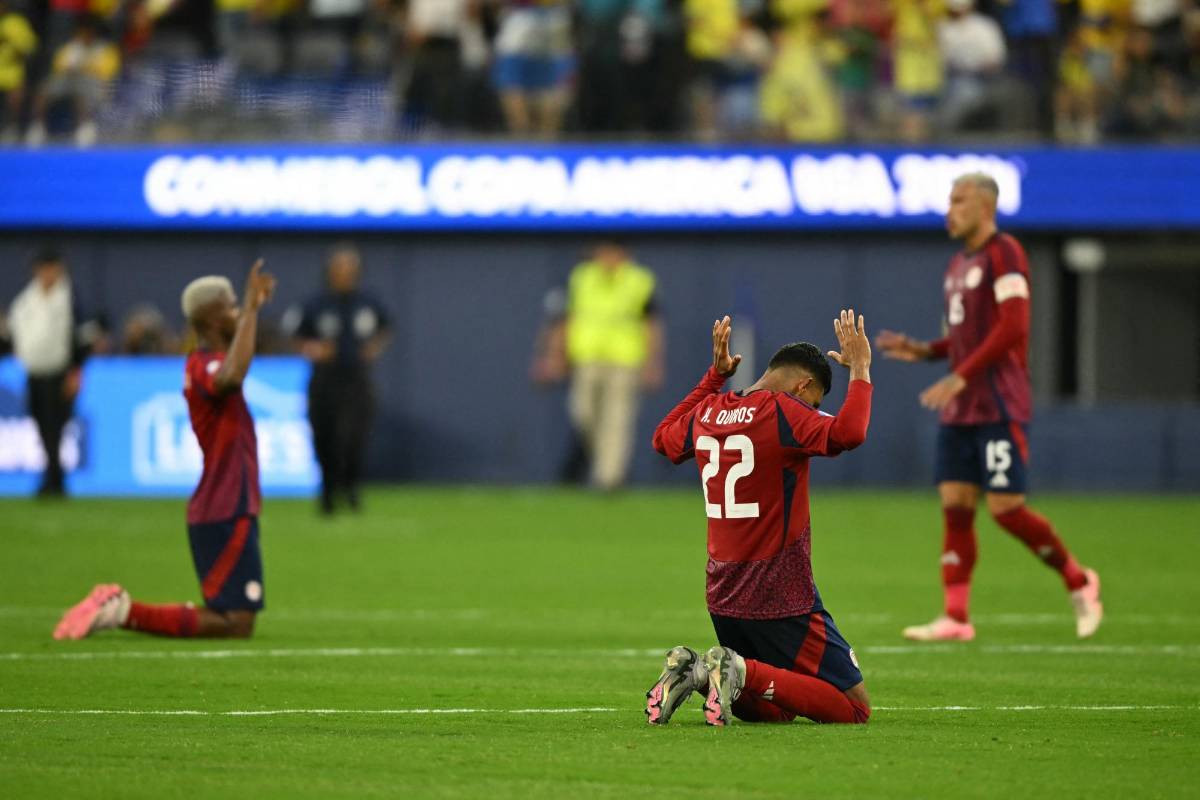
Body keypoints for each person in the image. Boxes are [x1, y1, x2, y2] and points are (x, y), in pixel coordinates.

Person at [875, 173, 1104, 641]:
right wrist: (926, 351)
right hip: (962, 409)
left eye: (959, 200)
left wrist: (960, 375)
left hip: (998, 403)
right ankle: (956, 617)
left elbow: (1013, 327)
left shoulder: (1006, 253)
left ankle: (1079, 580)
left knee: (1006, 509)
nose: (949, 210)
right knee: (956, 507)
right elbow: (966, 338)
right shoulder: (957, 264)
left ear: (985, 207)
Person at [645, 311, 874, 726]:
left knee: (777, 710)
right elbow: (850, 432)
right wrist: (860, 369)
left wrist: (713, 379)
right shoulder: (783, 410)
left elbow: (662, 438)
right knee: (854, 708)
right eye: (815, 402)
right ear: (802, 385)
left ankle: (697, 670)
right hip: (780, 592)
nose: (813, 411)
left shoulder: (711, 411)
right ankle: (738, 668)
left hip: (723, 595)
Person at [52, 260, 277, 640]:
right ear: (211, 317)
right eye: (232, 305)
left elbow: (236, 365)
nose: (238, 311)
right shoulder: (206, 366)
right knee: (236, 623)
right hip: (225, 506)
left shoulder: (205, 363)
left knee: (236, 620)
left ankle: (121, 610)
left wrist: (250, 314)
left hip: (223, 506)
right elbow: (233, 375)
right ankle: (121, 610)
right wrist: (253, 311)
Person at [537, 242, 664, 491]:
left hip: (625, 360)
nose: (606, 257)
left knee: (617, 419)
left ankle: (608, 480)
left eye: (612, 251)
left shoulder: (639, 280)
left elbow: (652, 325)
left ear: (624, 253)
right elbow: (566, 318)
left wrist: (653, 362)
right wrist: (555, 355)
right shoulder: (581, 277)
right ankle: (605, 464)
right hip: (587, 359)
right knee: (582, 413)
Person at [290, 243, 390, 514]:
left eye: (350, 268)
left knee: (354, 436)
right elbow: (295, 336)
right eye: (339, 268)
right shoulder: (315, 304)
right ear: (330, 271)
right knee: (324, 435)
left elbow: (386, 328)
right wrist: (314, 349)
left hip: (357, 378)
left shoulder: (368, 302)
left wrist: (374, 347)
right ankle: (327, 492)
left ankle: (351, 487)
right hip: (325, 379)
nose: (344, 274)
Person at [7, 249, 97, 497]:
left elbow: (82, 338)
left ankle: (55, 480)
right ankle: (51, 476)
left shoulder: (70, 298)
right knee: (40, 424)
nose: (47, 273)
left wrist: (76, 371)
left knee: (56, 426)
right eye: (43, 268)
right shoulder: (26, 300)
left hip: (60, 372)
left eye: (52, 268)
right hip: (34, 371)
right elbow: (16, 333)